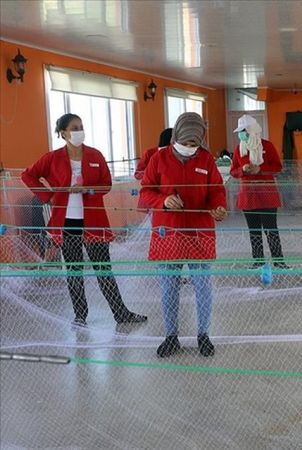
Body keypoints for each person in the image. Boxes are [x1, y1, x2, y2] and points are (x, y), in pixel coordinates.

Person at [21, 113, 147, 326]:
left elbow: (106, 184)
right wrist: (48, 196)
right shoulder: (52, 158)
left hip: (94, 221)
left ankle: (121, 313)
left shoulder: (95, 156)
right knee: (74, 271)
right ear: (63, 133)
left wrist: (87, 189)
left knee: (103, 269)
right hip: (67, 222)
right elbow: (27, 175)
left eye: (81, 126)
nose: (79, 131)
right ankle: (80, 315)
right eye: (74, 127)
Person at [140, 112, 227, 358]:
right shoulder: (159, 159)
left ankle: (203, 334)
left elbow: (216, 190)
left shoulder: (206, 160)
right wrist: (163, 200)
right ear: (176, 136)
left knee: (203, 286)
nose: (191, 148)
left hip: (199, 231)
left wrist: (218, 207)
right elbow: (146, 191)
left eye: (195, 144)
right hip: (169, 231)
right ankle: (171, 336)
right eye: (187, 143)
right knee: (169, 287)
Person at [229, 114, 288, 269]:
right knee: (254, 230)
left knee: (271, 229)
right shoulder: (239, 149)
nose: (242, 134)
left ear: (252, 130)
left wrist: (260, 169)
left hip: (266, 194)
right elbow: (233, 172)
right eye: (241, 132)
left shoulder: (267, 146)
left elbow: (277, 167)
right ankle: (258, 260)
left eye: (244, 131)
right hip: (248, 195)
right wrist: (243, 169)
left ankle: (278, 260)